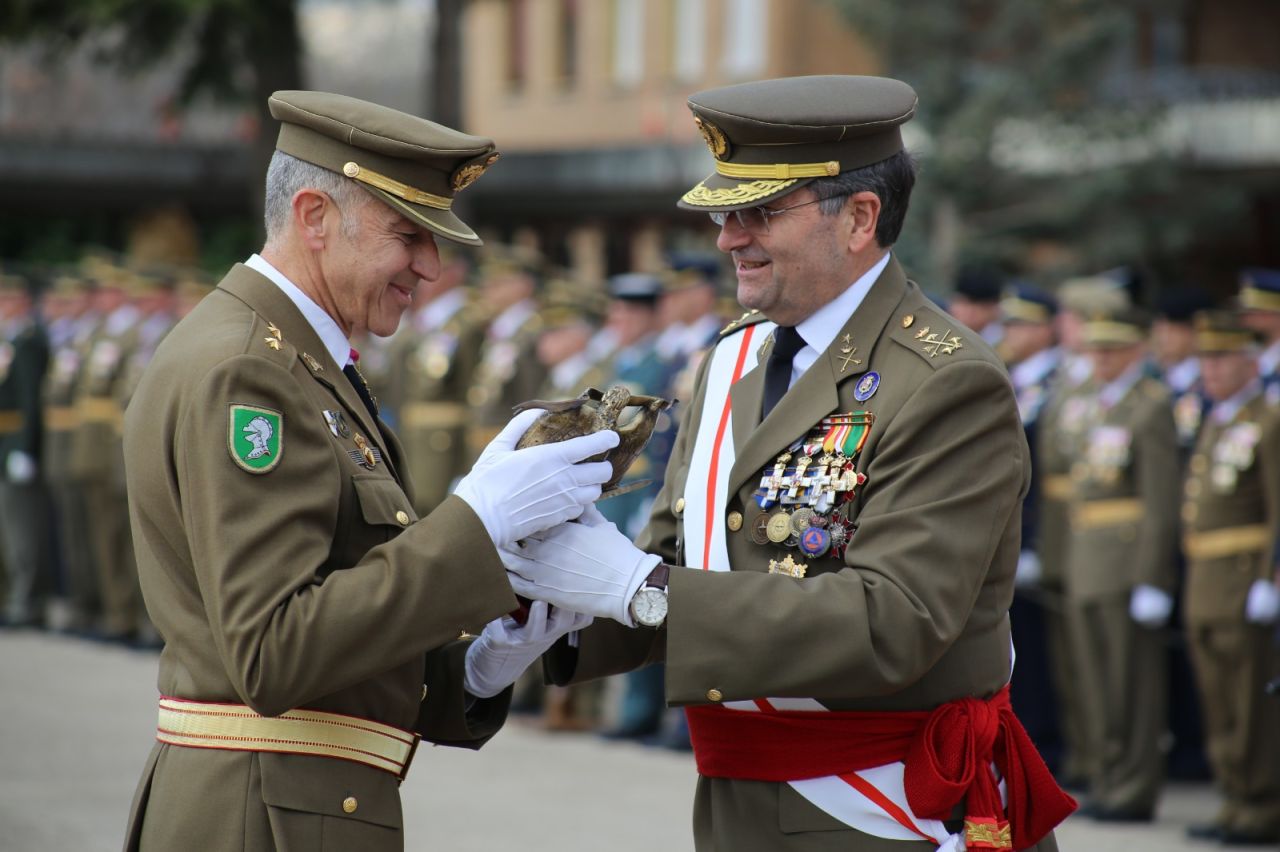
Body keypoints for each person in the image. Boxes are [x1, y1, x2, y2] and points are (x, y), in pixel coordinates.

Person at [506, 75, 1073, 851]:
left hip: (882, 812)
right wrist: (544, 613)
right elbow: (682, 558)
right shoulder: (732, 359)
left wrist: (641, 588)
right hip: (740, 801)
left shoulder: (946, 383)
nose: (728, 237)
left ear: (860, 219)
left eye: (761, 213)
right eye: (725, 213)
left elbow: (893, 622)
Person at [120, 91, 613, 852]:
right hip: (262, 817)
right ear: (314, 217)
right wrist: (474, 525)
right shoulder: (252, 371)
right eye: (407, 233)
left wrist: (477, 666)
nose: (430, 265)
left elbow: (336, 637)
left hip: (286, 804)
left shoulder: (299, 359)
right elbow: (273, 652)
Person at [1065, 306, 1179, 822]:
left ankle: (1133, 785)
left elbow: (1160, 501)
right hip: (1087, 559)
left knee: (1131, 682)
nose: (1102, 358)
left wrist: (1153, 576)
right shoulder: (1096, 403)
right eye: (1096, 349)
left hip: (1127, 562)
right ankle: (1109, 779)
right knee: (1096, 683)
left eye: (1112, 349)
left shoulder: (1149, 407)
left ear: (1137, 350)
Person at [1179, 310, 1280, 846]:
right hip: (1207, 579)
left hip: (1245, 578)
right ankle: (1235, 797)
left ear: (1249, 361)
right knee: (1217, 698)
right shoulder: (1217, 418)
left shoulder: (1269, 419)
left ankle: (1262, 801)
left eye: (1222, 358)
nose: (1210, 370)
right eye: (1205, 359)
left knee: (1250, 700)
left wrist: (1272, 578)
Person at [998, 284, 1064, 768]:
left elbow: (1046, 471)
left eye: (1022, 324)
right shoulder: (1013, 376)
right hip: (1010, 532)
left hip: (1039, 534)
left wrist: (1036, 540)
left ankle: (1048, 742)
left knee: (1042, 655)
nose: (1012, 333)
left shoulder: (1059, 383)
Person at [0, 269, 51, 628]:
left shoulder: (29, 340)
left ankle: (28, 601)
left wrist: (25, 447)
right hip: (5, 444)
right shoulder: (11, 339)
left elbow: (31, 400)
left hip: (16, 442)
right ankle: (13, 597)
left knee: (23, 533)